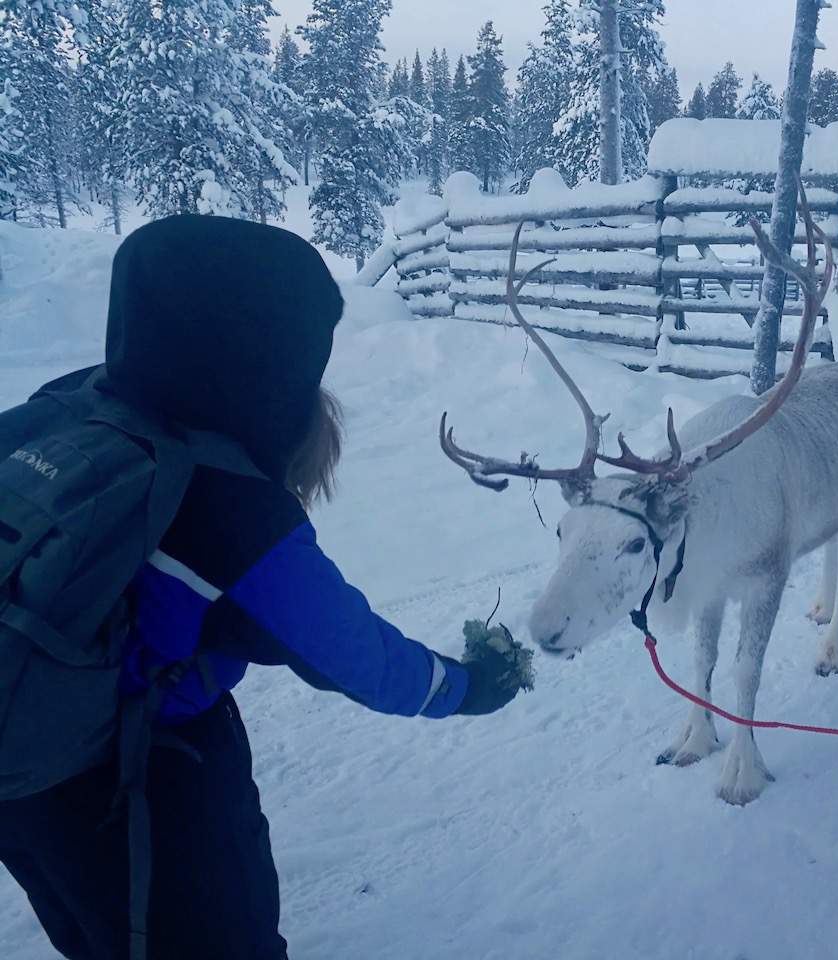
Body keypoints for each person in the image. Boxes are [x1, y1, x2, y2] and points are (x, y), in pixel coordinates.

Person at [0, 215, 520, 960]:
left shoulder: (64, 405)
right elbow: (358, 657)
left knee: (97, 935)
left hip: (24, 778)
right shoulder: (234, 511)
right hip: (146, 781)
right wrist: (467, 687)